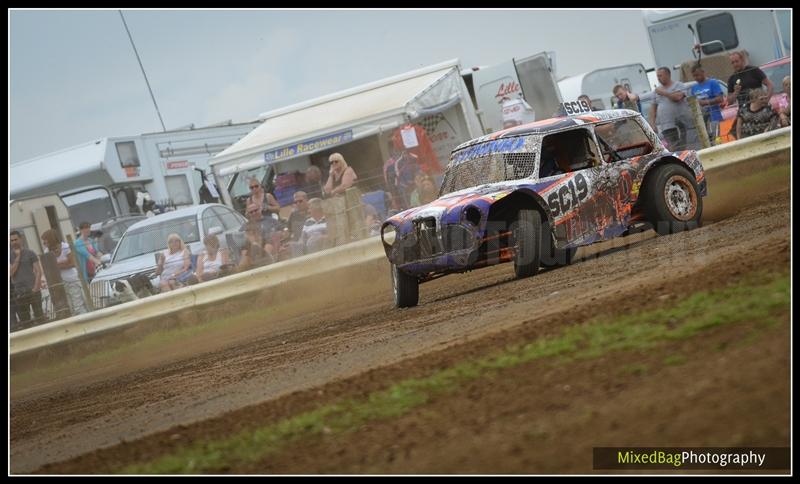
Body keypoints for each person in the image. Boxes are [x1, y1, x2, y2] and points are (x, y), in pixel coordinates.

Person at [649, 67, 699, 151]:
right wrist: (652, 124)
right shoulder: (656, 91)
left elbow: (678, 97)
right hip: (666, 126)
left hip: (683, 123)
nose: (658, 78)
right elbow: (653, 109)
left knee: (685, 145)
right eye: (657, 76)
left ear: (668, 75)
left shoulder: (679, 85)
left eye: (660, 75)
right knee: (673, 147)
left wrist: (663, 92)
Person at [40, 229, 88, 317]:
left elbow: (73, 263)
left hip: (72, 279)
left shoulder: (65, 246)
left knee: (78, 304)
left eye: (45, 242)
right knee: (69, 306)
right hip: (59, 282)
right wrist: (64, 263)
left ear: (51, 239)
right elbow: (47, 268)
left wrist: (56, 265)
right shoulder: (46, 251)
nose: (44, 244)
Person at [10, 231, 44, 328]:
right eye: (11, 240)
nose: (14, 242)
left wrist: (35, 288)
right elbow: (11, 273)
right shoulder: (9, 256)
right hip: (19, 292)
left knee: (39, 317)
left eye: (16, 239)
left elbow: (38, 271)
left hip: (33, 289)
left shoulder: (30, 253)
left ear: (20, 239)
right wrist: (18, 257)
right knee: (25, 321)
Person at [689, 64, 725, 144]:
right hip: (702, 120)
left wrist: (705, 102)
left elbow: (720, 98)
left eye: (697, 75)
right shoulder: (694, 88)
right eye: (694, 76)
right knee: (707, 141)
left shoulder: (713, 83)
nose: (696, 78)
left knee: (717, 140)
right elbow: (693, 104)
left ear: (703, 72)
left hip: (714, 117)